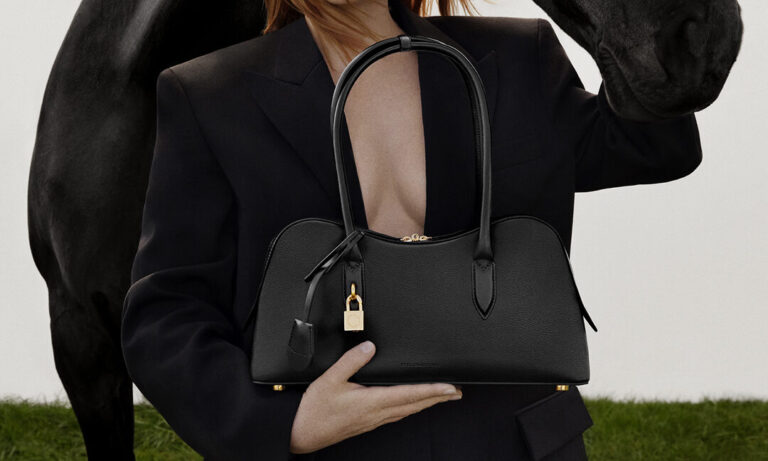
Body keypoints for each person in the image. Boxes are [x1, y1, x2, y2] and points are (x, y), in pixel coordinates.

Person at [121, 0, 703, 459]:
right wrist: (282, 423)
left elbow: (654, 145)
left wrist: (616, 18)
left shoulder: (519, 56)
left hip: (519, 442)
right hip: (329, 451)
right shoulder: (209, 95)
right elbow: (166, 313)